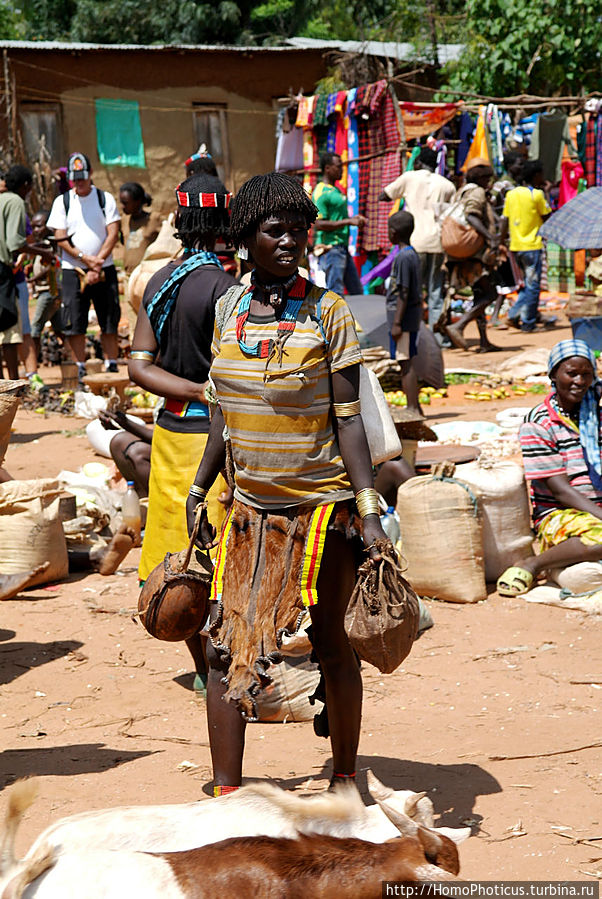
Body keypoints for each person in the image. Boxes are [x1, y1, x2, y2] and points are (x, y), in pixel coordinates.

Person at [185, 171, 388, 795]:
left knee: (331, 643)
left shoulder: (328, 311)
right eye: (276, 230)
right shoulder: (226, 310)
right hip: (249, 509)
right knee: (227, 650)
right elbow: (221, 410)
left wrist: (368, 508)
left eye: (300, 231)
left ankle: (346, 781)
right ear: (245, 237)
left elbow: (349, 421)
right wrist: (199, 488)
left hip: (320, 508)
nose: (292, 241)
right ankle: (226, 793)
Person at [128, 171, 237, 691]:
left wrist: (184, 392)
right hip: (213, 437)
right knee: (219, 548)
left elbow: (139, 366)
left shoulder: (157, 282)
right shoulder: (225, 287)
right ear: (224, 223)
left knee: (180, 548)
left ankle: (200, 666)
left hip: (168, 432)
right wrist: (201, 391)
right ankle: (224, 665)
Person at [498, 340, 602, 596]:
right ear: (554, 375)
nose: (579, 381)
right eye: (571, 373)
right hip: (560, 513)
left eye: (586, 374)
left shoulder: (595, 416)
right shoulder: (539, 423)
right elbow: (560, 490)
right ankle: (534, 564)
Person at [47, 152, 121, 383]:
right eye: (74, 178)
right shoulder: (63, 202)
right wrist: (84, 259)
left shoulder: (104, 198)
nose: (78, 183)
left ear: (91, 175)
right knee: (75, 320)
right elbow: (60, 237)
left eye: (82, 177)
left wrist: (97, 262)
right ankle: (79, 366)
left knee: (109, 317)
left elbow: (113, 232)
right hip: (73, 270)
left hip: (104, 268)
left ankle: (111, 363)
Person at [379, 147, 455, 347]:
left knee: (411, 292)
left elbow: (384, 195)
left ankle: (417, 337)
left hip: (414, 242)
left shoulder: (409, 177)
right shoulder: (447, 185)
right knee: (435, 291)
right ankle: (438, 339)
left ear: (418, 162)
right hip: (438, 242)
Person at [443, 158, 502, 353]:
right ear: (482, 177)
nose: (489, 182)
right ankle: (459, 325)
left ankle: (484, 340)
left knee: (479, 295)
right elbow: (471, 216)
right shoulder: (476, 191)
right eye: (487, 178)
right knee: (490, 294)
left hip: (462, 252)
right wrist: (490, 237)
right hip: (474, 252)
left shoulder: (462, 190)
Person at [0, 166, 53, 380]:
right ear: (25, 185)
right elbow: (15, 243)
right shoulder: (15, 202)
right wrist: (43, 252)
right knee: (10, 332)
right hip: (3, 272)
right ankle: (11, 387)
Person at [501, 160, 552, 332]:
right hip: (532, 246)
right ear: (536, 175)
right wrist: (546, 192)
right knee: (533, 286)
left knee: (526, 285)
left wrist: (500, 242)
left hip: (515, 246)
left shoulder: (512, 194)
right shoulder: (536, 195)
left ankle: (514, 316)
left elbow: (504, 220)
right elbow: (547, 217)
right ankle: (527, 322)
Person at [385, 211, 423, 416]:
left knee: (405, 362)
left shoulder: (403, 257)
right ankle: (416, 405)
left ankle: (412, 408)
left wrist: (397, 322)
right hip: (409, 316)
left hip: (404, 318)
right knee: (406, 359)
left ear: (394, 232)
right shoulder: (410, 254)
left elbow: (404, 291)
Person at [312, 152, 366, 295]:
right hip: (331, 249)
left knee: (357, 293)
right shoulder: (321, 192)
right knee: (336, 293)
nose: (342, 170)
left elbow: (335, 218)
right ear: (328, 168)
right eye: (339, 166)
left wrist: (353, 219)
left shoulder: (335, 190)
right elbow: (319, 224)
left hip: (341, 248)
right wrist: (349, 221)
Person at [120, 182, 162, 335]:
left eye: (126, 203)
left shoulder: (154, 219)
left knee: (151, 316)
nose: (123, 207)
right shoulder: (124, 220)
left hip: (148, 277)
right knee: (133, 319)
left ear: (137, 201)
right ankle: (135, 350)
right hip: (128, 278)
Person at [28, 210, 63, 362]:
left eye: (39, 226)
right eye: (33, 227)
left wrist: (33, 279)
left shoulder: (52, 244)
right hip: (51, 292)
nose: (36, 230)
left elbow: (51, 267)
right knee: (59, 328)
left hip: (48, 292)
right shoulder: (42, 245)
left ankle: (32, 364)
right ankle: (71, 357)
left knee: (35, 328)